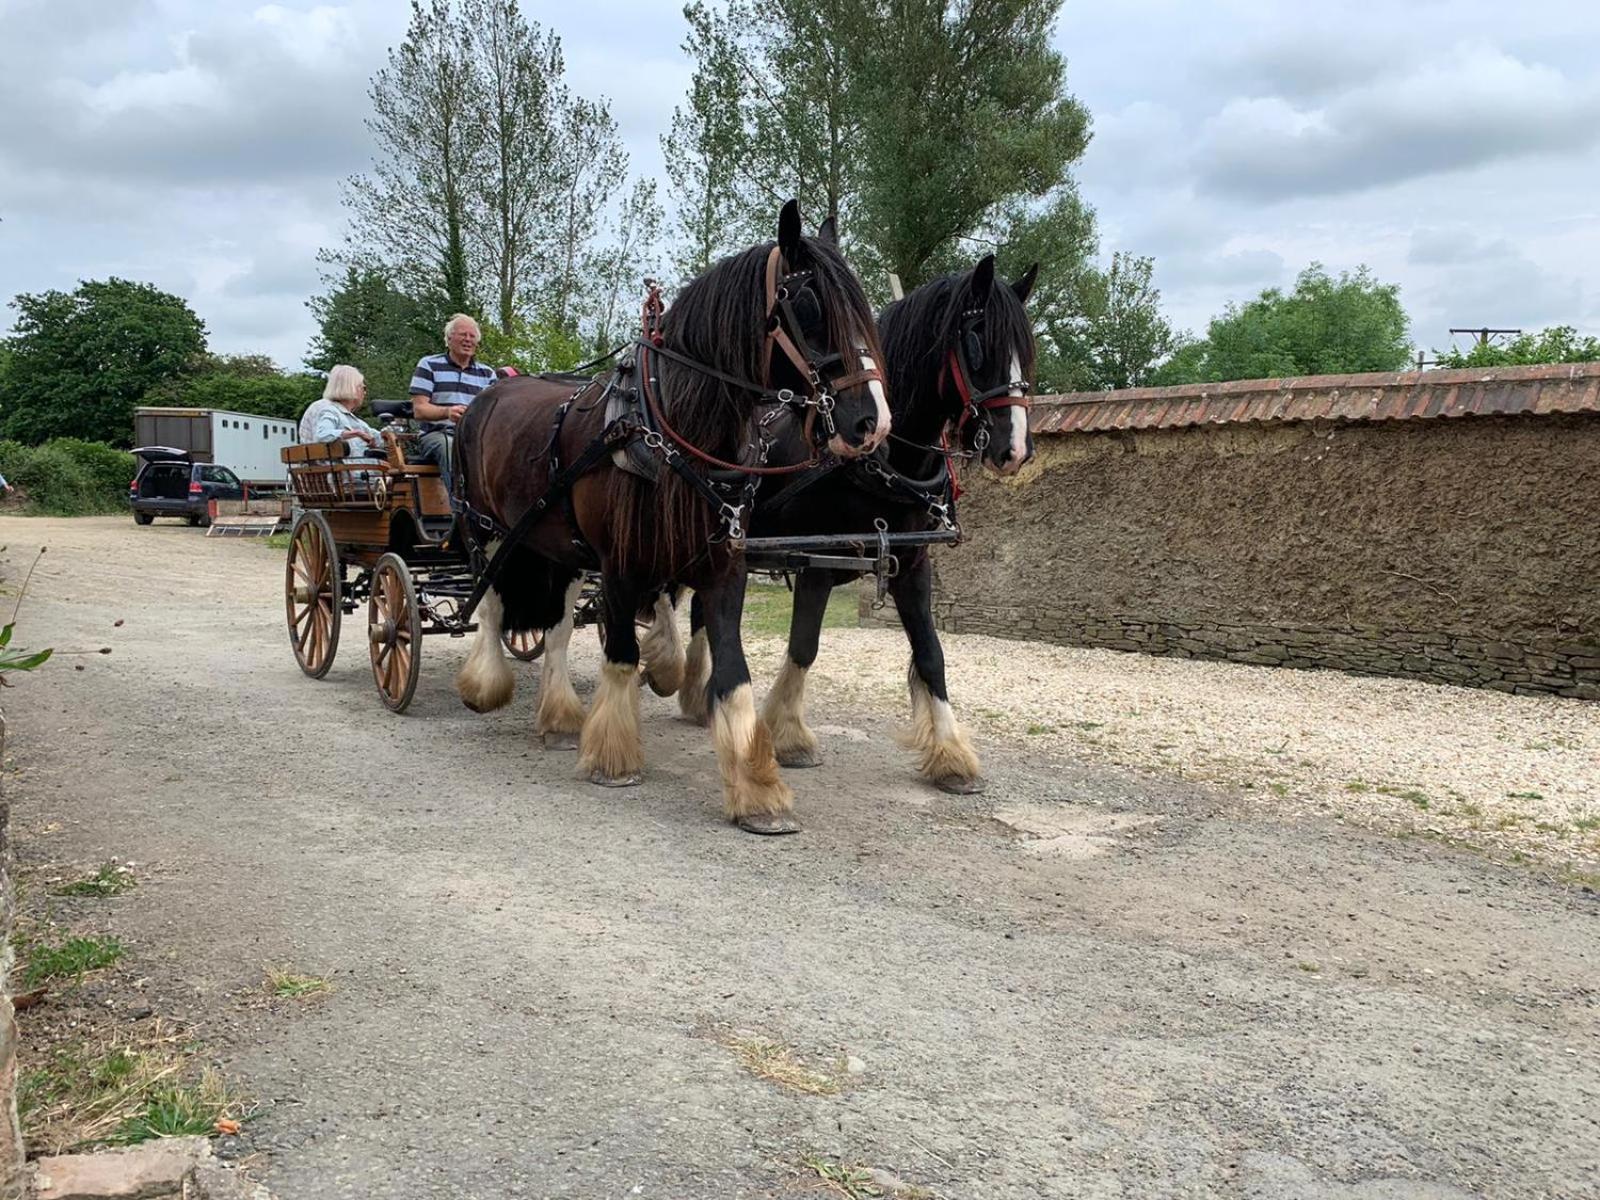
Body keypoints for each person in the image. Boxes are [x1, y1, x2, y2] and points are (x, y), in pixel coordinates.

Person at [409, 314, 495, 492]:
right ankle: (460, 504)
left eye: (472, 336)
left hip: (474, 437)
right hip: (436, 435)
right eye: (462, 335)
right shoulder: (429, 364)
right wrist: (447, 413)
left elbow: (494, 412)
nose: (468, 340)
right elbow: (419, 409)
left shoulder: (487, 374)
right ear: (448, 339)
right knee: (449, 447)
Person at [300, 365, 386, 459]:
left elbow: (376, 437)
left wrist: (395, 429)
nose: (365, 392)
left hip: (335, 469)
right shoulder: (328, 409)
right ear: (352, 388)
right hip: (335, 471)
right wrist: (357, 433)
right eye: (363, 388)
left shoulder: (342, 413)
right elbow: (322, 435)